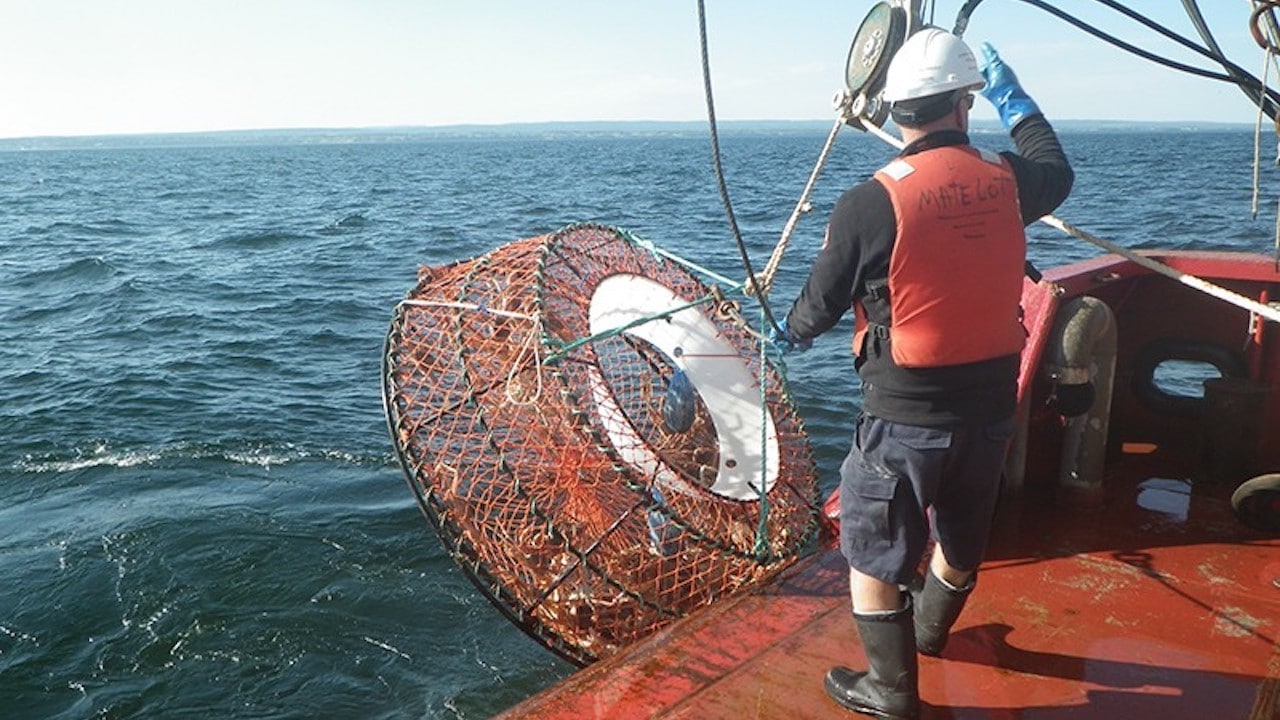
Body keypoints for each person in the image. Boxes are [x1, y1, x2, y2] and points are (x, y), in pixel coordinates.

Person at [772, 28, 1074, 719]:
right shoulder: (1011, 180)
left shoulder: (867, 204)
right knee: (964, 534)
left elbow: (816, 308)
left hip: (903, 420)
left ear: (892, 111)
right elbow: (1055, 166)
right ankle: (933, 631)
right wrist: (1013, 95)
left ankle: (891, 692)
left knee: (874, 555)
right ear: (965, 105)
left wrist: (784, 333)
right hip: (992, 411)